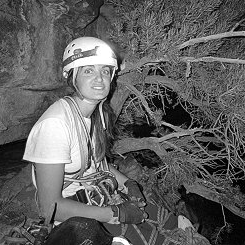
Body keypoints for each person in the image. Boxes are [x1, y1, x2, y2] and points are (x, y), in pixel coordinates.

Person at [22, 37, 197, 245]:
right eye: (88, 71)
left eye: (105, 71)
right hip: (75, 214)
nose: (99, 79)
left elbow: (98, 165)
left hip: (101, 196)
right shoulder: (55, 125)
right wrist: (116, 213)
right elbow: (50, 207)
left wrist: (128, 183)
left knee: (176, 225)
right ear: (72, 77)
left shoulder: (97, 115)